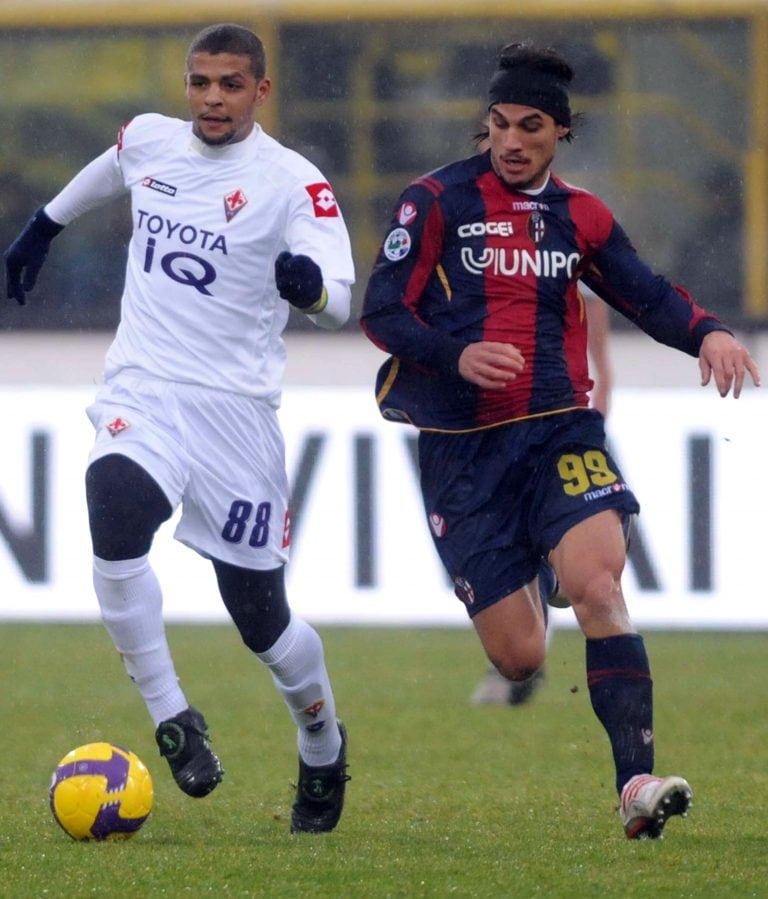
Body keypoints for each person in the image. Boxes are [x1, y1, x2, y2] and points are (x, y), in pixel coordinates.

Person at [361, 41, 760, 839]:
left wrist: (708, 331)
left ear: (561, 134)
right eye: (499, 124)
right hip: (460, 447)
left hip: (558, 430)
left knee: (600, 585)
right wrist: (455, 352)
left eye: (530, 127)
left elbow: (644, 293)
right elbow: (382, 312)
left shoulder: (580, 216)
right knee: (519, 658)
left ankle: (636, 786)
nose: (510, 140)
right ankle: (540, 566)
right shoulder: (435, 200)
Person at [4, 23, 353, 834]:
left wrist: (307, 289)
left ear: (260, 91)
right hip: (146, 385)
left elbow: (340, 296)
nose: (212, 100)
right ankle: (174, 719)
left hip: (235, 415)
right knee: (112, 502)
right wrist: (45, 225)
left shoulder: (295, 184)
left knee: (261, 618)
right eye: (200, 83)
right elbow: (116, 161)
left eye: (230, 85)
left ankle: (323, 742)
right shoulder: (155, 141)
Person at [470, 285, 612, 706]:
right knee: (502, 541)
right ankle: (521, 658)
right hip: (498, 415)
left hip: (559, 414)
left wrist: (600, 387)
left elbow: (595, 305)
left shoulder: (563, 228)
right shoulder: (480, 235)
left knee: (557, 539)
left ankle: (524, 662)